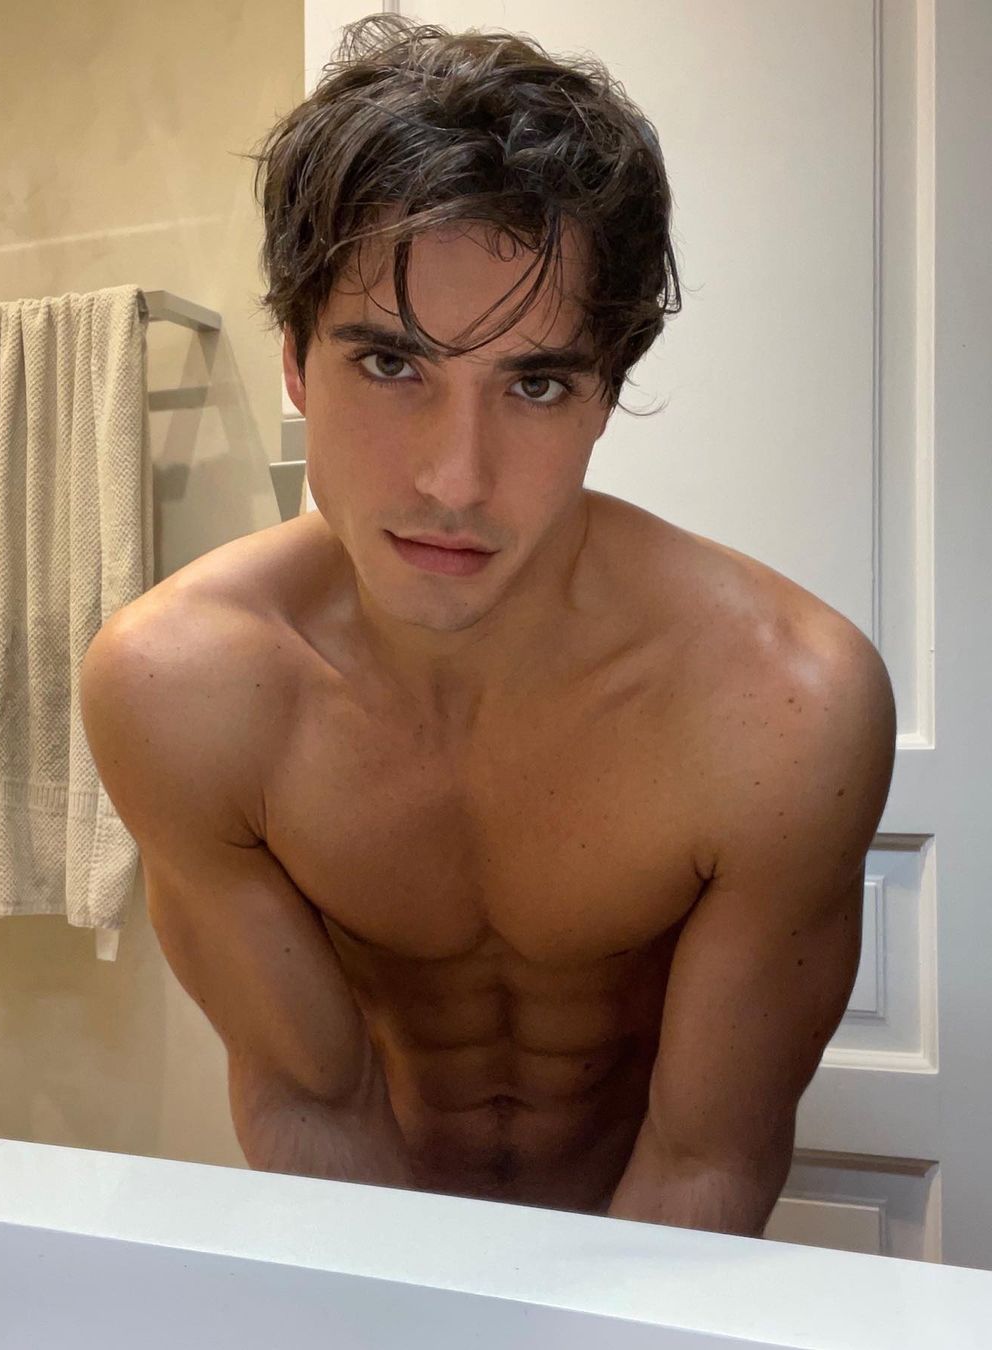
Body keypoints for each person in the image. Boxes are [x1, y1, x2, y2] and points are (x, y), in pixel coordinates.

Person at [80, 13, 895, 1237]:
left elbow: (704, 1160)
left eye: (537, 383)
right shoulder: (182, 692)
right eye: (391, 365)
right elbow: (313, 1101)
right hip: (373, 1254)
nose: (454, 480)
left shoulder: (782, 709)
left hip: (651, 1257)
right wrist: (408, 1314)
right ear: (295, 359)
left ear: (607, 397)